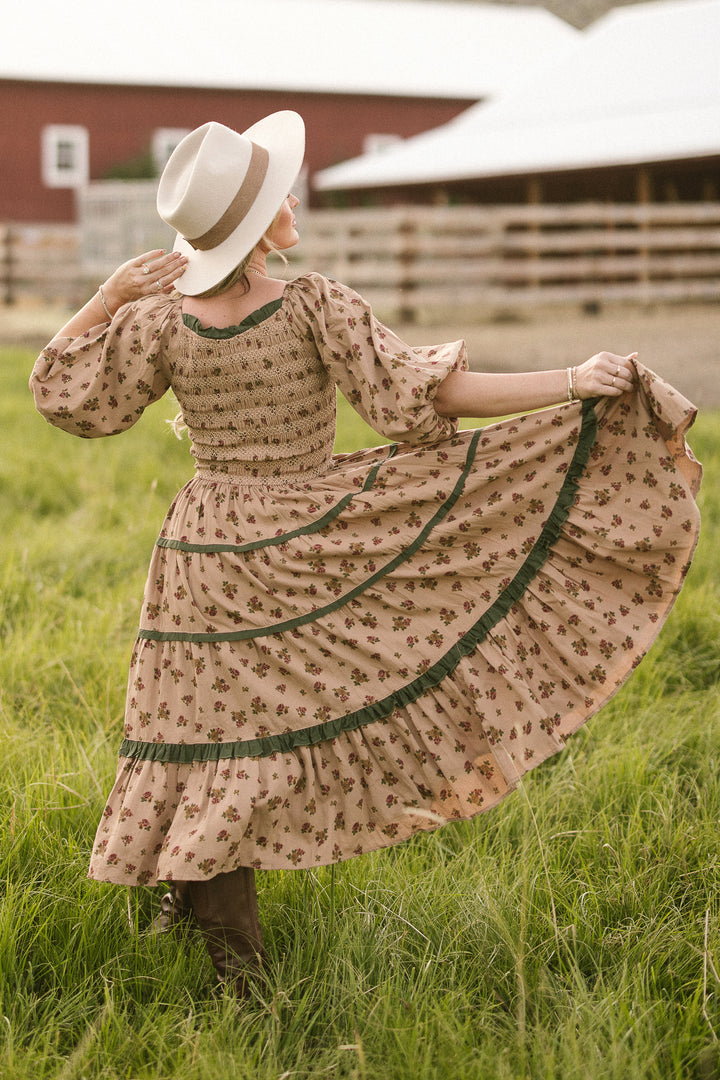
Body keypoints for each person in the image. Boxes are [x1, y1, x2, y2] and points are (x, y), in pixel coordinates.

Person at [30, 111, 702, 998]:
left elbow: (61, 390)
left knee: (199, 730)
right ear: (259, 225)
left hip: (200, 548)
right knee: (257, 732)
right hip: (298, 535)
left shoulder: (161, 322)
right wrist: (569, 381)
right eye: (278, 195)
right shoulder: (311, 303)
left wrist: (109, 297)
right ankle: (235, 971)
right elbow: (426, 396)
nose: (293, 200)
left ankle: (191, 911)